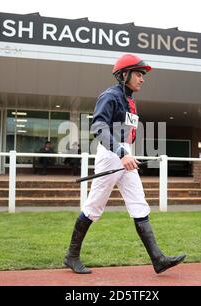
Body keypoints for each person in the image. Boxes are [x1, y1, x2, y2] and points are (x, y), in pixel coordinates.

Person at [63, 54, 186, 275]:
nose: (142, 79)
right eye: (139, 74)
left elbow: (125, 133)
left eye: (142, 75)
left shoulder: (130, 101)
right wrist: (121, 152)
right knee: (94, 207)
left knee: (139, 203)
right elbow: (99, 128)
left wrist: (128, 152)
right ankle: (71, 256)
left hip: (124, 154)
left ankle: (158, 259)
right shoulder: (109, 96)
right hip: (110, 154)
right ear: (124, 75)